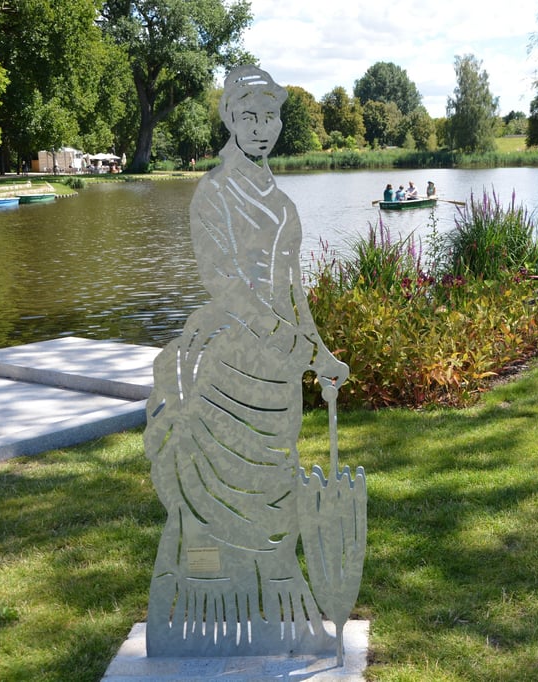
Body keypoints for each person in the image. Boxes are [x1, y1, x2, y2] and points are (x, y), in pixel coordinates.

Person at [144, 65, 347, 658]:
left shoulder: (284, 206)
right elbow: (225, 283)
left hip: (278, 378)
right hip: (231, 367)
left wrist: (319, 353)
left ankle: (279, 595)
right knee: (217, 487)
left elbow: (294, 290)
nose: (263, 128)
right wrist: (293, 344)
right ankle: (206, 598)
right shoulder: (212, 193)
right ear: (230, 118)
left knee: (276, 480)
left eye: (272, 116)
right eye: (250, 116)